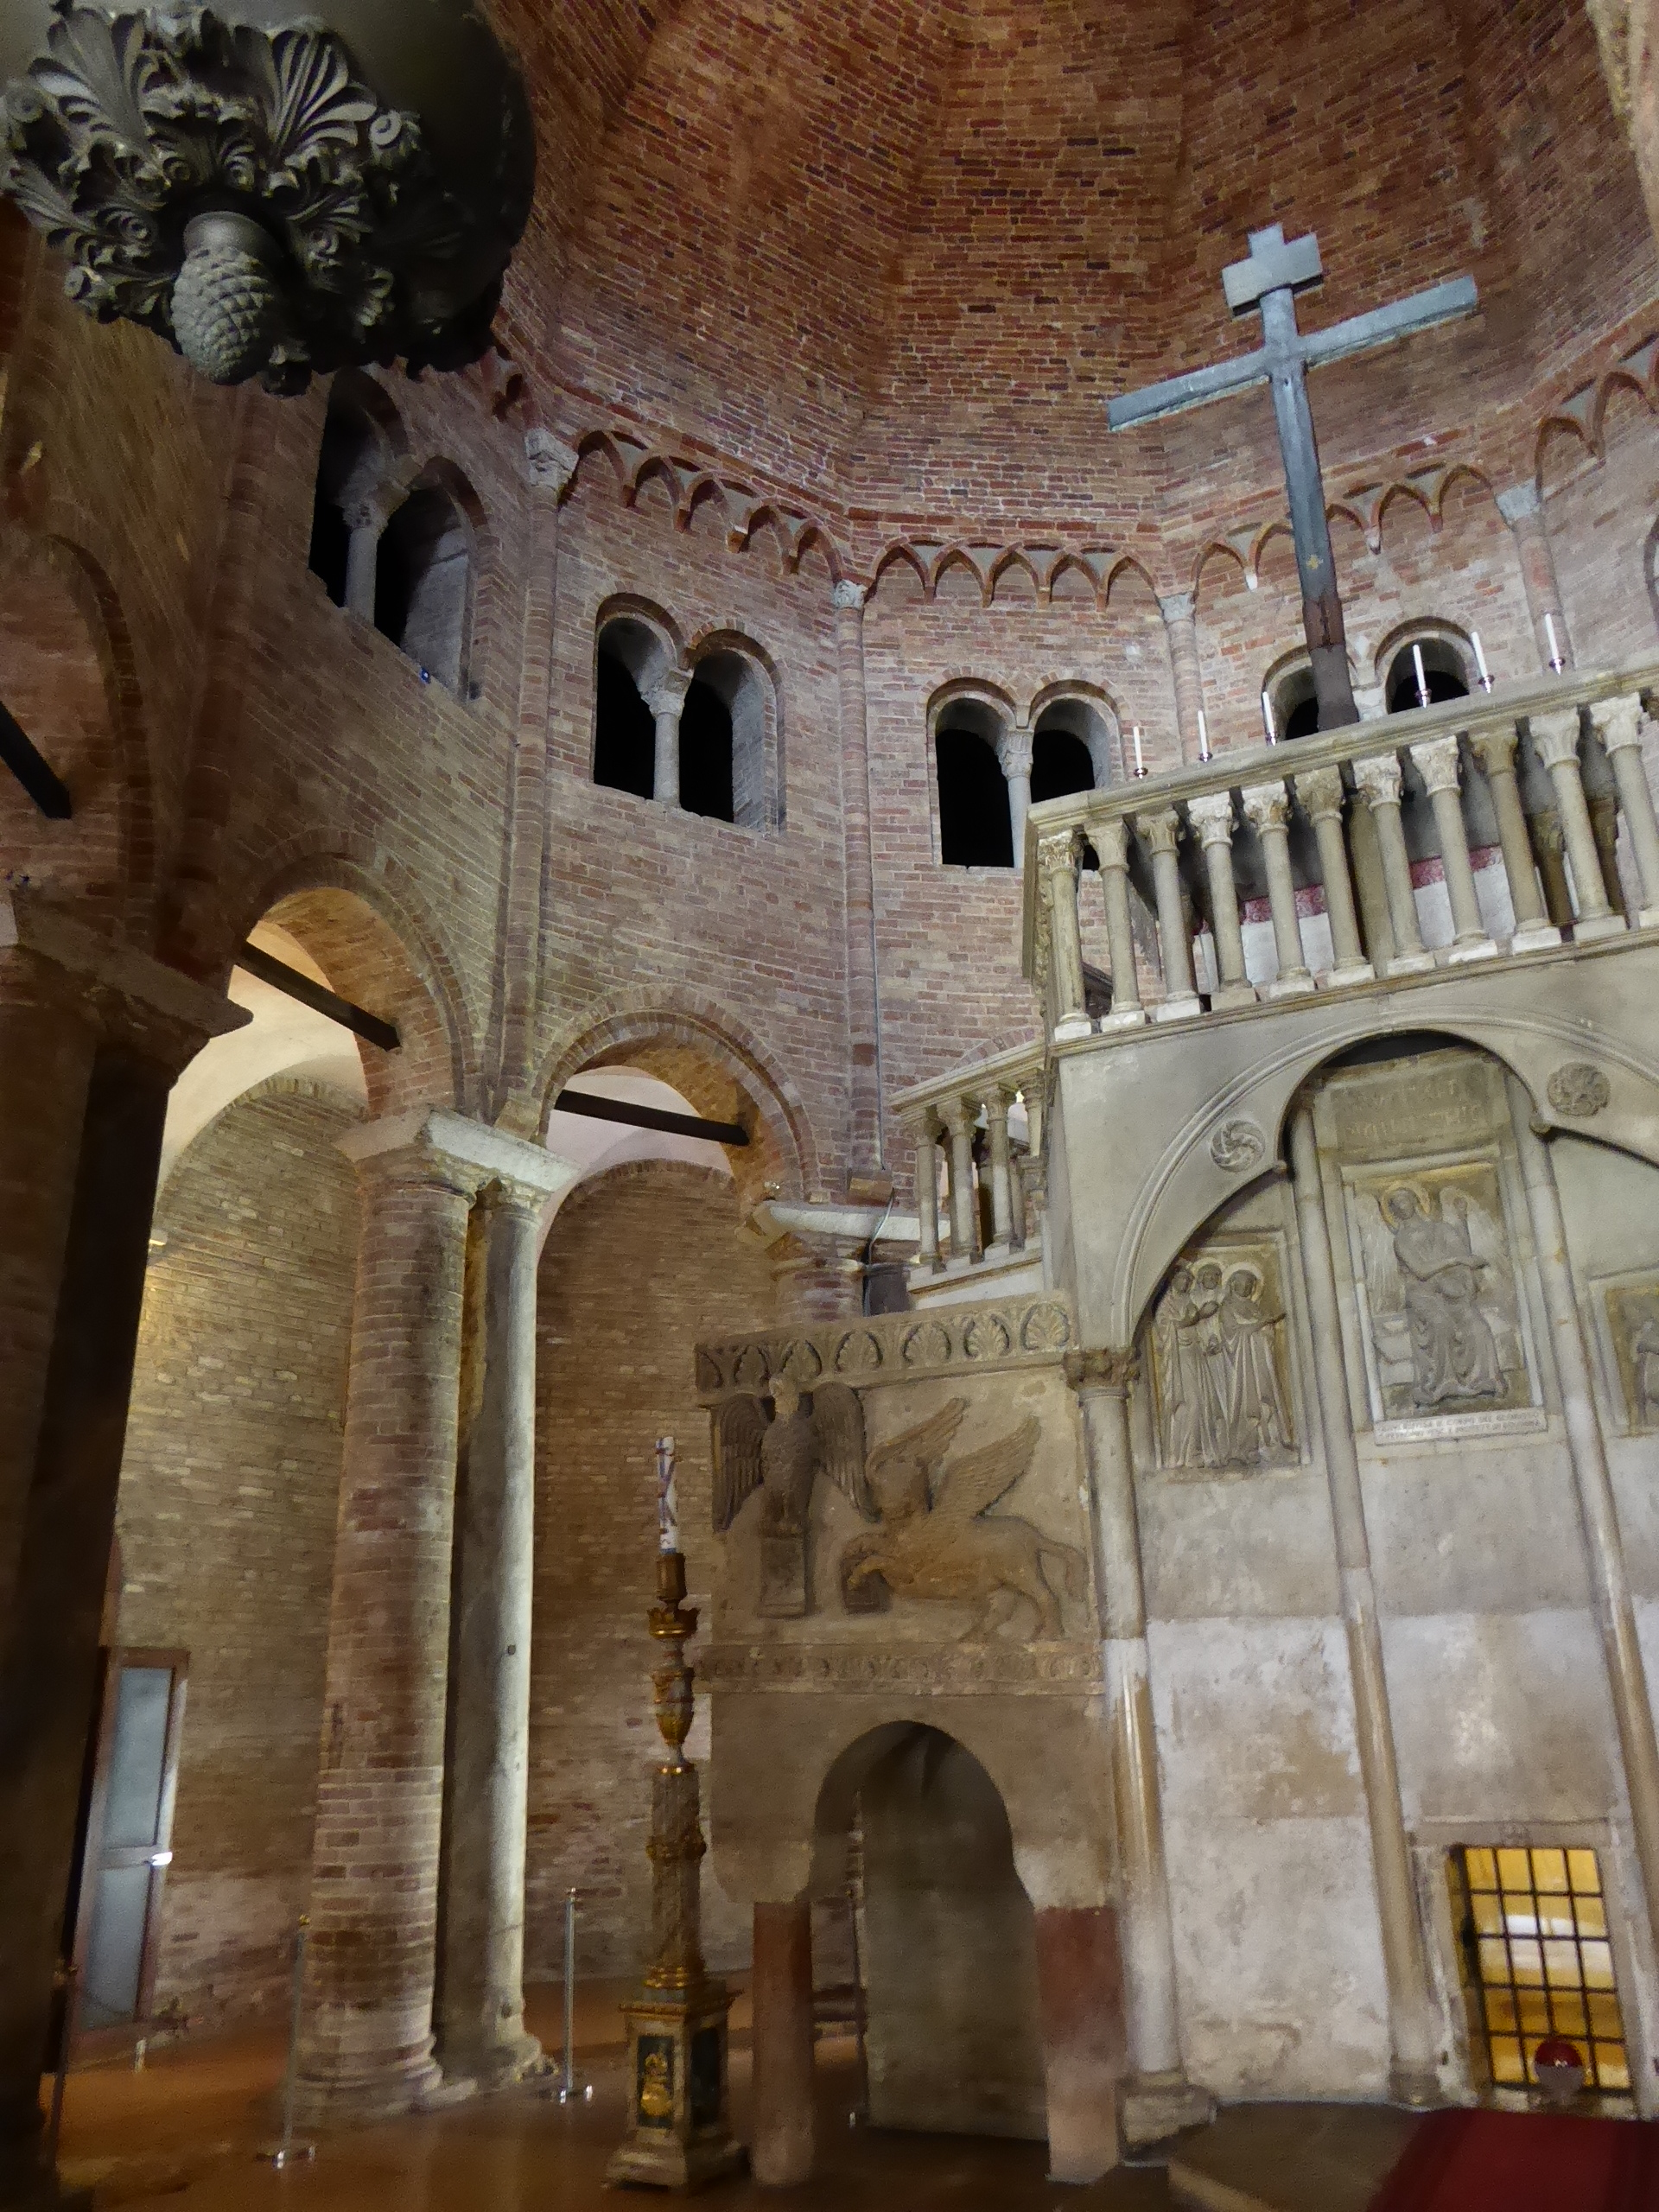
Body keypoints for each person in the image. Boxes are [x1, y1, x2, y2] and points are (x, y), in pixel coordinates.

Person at [1384, 1185, 1504, 1406]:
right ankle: (1442, 1385)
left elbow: (1460, 1250)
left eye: (1406, 1199)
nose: (1403, 1205)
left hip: (1450, 1291)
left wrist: (1462, 1220)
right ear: (1392, 1211)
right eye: (1397, 1203)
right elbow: (1421, 1271)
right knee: (1440, 1324)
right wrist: (1456, 1261)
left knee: (1479, 1328)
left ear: (1416, 1201)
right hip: (1422, 1294)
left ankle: (1483, 1380)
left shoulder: (1440, 1229)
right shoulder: (1401, 1240)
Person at [1219, 1265, 1291, 1461]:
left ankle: (1270, 1442)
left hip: (1260, 1360)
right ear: (1233, 1285)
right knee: (1247, 1402)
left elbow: (1263, 1331)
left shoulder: (1254, 1307)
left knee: (1266, 1396)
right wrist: (1264, 1323)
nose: (1246, 1287)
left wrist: (1268, 1327)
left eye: (1249, 1284)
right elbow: (1233, 1333)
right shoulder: (1227, 1307)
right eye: (1242, 1283)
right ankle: (1245, 1448)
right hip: (1242, 1365)